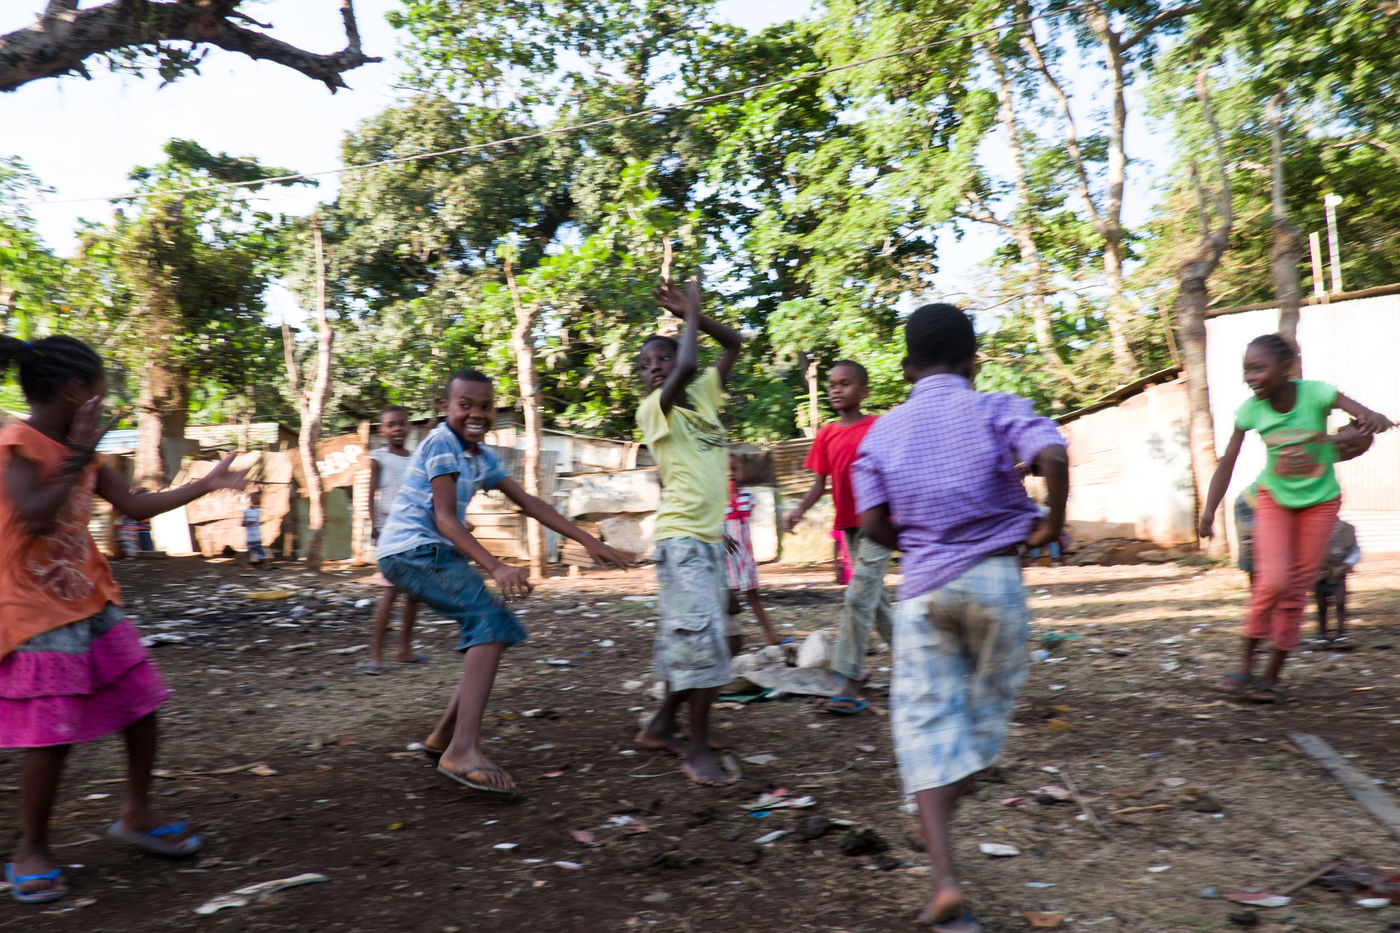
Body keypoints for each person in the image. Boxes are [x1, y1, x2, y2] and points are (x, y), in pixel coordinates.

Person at [0, 335, 249, 904]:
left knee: (141, 704)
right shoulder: (17, 443)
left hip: (91, 599)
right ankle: (30, 850)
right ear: (74, 391)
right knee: (50, 733)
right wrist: (78, 452)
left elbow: (134, 506)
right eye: (100, 390)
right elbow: (35, 517)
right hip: (34, 609)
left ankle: (136, 813)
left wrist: (206, 485)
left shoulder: (84, 452)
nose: (105, 401)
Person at [851, 304, 1068, 932]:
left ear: (906, 368)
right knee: (983, 720)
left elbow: (870, 523)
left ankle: (945, 881)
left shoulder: (880, 434)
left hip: (923, 592)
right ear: (974, 363)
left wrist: (920, 545)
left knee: (924, 728)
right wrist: (1050, 523)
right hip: (997, 582)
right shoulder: (996, 407)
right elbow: (1052, 456)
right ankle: (941, 812)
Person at [375, 368, 631, 796]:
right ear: (445, 407)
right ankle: (462, 750)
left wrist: (587, 540)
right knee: (489, 623)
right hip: (412, 550)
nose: (476, 413)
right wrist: (496, 566)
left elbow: (529, 502)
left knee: (497, 624)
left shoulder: (480, 456)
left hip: (429, 552)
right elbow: (444, 519)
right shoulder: (440, 443)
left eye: (486, 406)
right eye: (465, 405)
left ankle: (443, 738)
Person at [1198, 333, 1392, 703]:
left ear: (1286, 368)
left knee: (1295, 590)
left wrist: (1373, 420)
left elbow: (1365, 417)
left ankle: (1271, 676)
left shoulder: (1317, 394)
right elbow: (1227, 462)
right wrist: (1208, 510)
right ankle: (1244, 665)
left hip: (1320, 504)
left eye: (1258, 368)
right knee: (1271, 581)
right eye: (1246, 370)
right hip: (1274, 499)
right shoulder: (1250, 411)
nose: (1250, 377)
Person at [632, 279, 744, 787]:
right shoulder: (654, 410)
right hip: (680, 541)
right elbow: (689, 364)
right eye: (645, 365)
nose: (654, 367)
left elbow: (734, 345)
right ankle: (696, 748)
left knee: (700, 638)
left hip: (708, 539)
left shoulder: (701, 397)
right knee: (706, 642)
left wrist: (694, 315)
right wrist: (691, 312)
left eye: (662, 358)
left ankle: (660, 726)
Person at [783, 360, 892, 715]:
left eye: (845, 383)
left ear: (864, 391)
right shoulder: (826, 434)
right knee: (875, 601)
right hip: (849, 526)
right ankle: (918, 661)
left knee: (858, 597)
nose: (835, 389)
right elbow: (820, 484)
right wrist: (799, 510)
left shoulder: (878, 427)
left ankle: (849, 682)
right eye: (832, 384)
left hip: (880, 524)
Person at [364, 405, 423, 673]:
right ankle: (374, 656)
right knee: (389, 591)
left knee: (414, 593)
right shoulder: (379, 458)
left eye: (402, 423)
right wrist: (375, 527)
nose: (397, 428)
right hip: (389, 531)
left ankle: (403, 650)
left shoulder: (416, 458)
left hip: (415, 530)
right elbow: (370, 495)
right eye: (391, 425)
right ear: (382, 430)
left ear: (409, 427)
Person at [723, 452, 784, 646]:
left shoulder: (747, 497)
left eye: (735, 469)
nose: (730, 473)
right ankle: (723, 636)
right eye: (725, 470)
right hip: (724, 559)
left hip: (745, 556)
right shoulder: (714, 500)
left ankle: (771, 635)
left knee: (753, 595)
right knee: (728, 600)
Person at [1313, 519, 1359, 649]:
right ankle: (1322, 635)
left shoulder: (1347, 529)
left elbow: (1355, 550)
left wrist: (1348, 563)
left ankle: (1341, 634)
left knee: (1340, 603)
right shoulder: (1313, 528)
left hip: (1339, 572)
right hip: (1319, 573)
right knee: (1321, 606)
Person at [242, 489, 267, 565]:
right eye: (253, 498)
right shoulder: (246, 511)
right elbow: (242, 523)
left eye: (256, 498)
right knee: (251, 550)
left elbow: (263, 520)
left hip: (257, 535)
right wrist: (248, 523)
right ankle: (251, 563)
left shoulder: (260, 511)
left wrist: (260, 523)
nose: (255, 500)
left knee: (259, 550)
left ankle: (260, 563)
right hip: (250, 536)